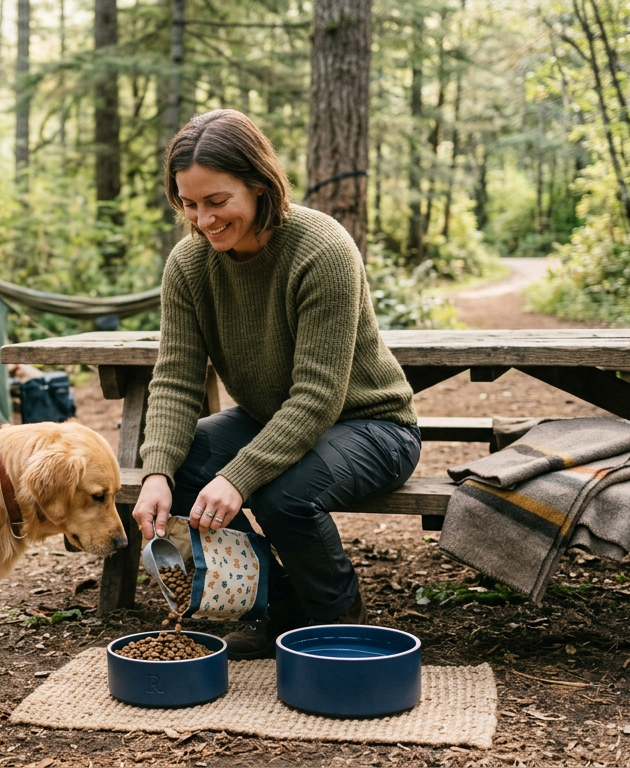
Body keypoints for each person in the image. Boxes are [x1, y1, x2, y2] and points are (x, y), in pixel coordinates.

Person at [130, 109, 422, 660]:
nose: (204, 220)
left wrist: (238, 477)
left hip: (373, 426)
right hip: (274, 420)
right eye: (188, 204)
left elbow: (316, 399)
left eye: (218, 202)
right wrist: (156, 473)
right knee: (188, 464)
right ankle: (282, 604)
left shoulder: (322, 249)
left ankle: (341, 621)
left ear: (260, 187)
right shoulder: (189, 265)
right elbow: (174, 380)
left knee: (283, 495)